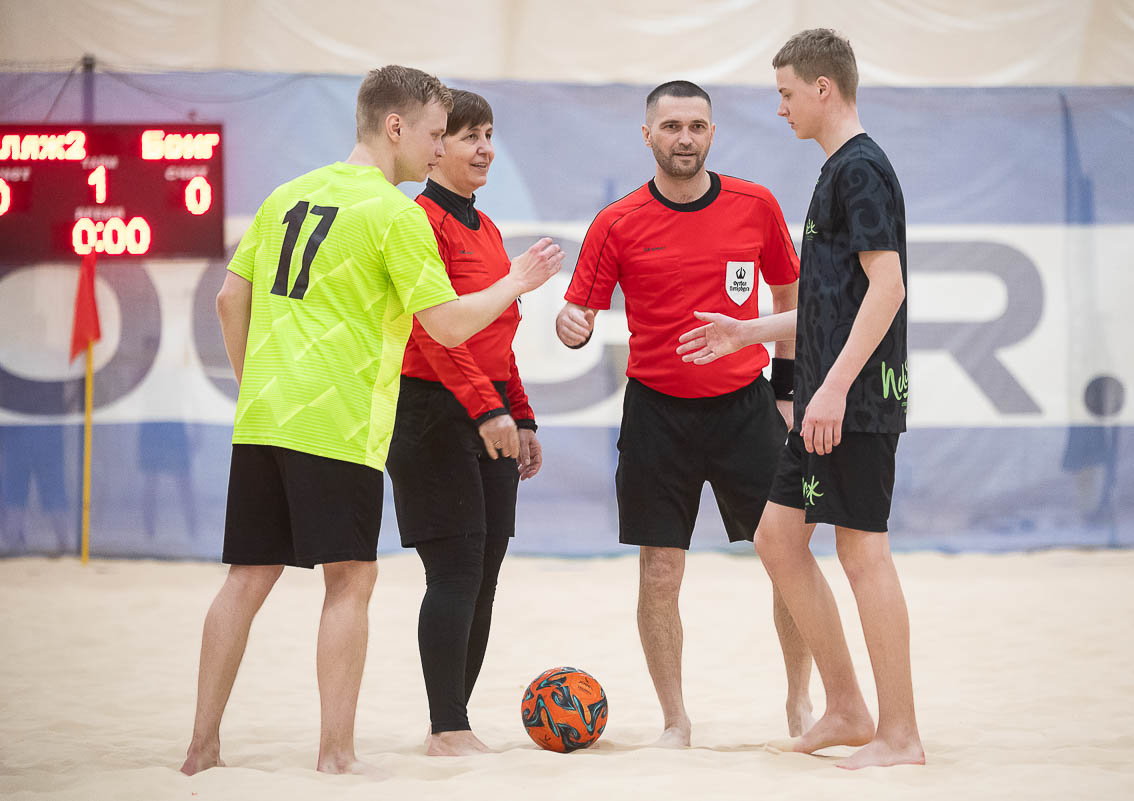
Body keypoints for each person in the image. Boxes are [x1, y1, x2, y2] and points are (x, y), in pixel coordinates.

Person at [180, 66, 563, 776]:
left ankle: (201, 749)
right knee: (350, 582)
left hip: (264, 416)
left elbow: (230, 300)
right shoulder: (396, 214)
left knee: (245, 578)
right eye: (435, 133)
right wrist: (515, 281)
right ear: (395, 128)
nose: (439, 147)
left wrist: (254, 385)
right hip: (339, 420)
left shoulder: (286, 193)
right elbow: (447, 327)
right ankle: (336, 754)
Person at [677, 29, 924, 769]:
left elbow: (887, 288)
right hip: (826, 398)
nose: (780, 107)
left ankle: (900, 734)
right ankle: (846, 707)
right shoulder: (835, 170)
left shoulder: (860, 169)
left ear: (824, 87)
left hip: (852, 401)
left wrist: (835, 389)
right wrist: (747, 331)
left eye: (786, 93)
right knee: (777, 539)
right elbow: (832, 306)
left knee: (863, 553)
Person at [555, 80, 812, 747]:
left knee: (788, 558)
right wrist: (570, 325)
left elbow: (790, 295)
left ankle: (800, 702)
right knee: (660, 571)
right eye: (671, 127)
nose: (685, 138)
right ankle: (675, 720)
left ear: (712, 133)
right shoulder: (617, 221)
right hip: (657, 415)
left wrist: (786, 389)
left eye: (697, 126)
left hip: (746, 408)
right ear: (648, 136)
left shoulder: (756, 205)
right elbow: (577, 311)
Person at [387, 89, 543, 757]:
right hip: (432, 414)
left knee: (484, 572)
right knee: (453, 569)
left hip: (490, 411)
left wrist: (520, 414)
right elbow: (435, 336)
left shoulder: (487, 228)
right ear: (434, 148)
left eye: (488, 135)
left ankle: (456, 722)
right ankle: (446, 727)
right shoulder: (420, 222)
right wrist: (486, 408)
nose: (484, 149)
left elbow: (496, 336)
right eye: (468, 136)